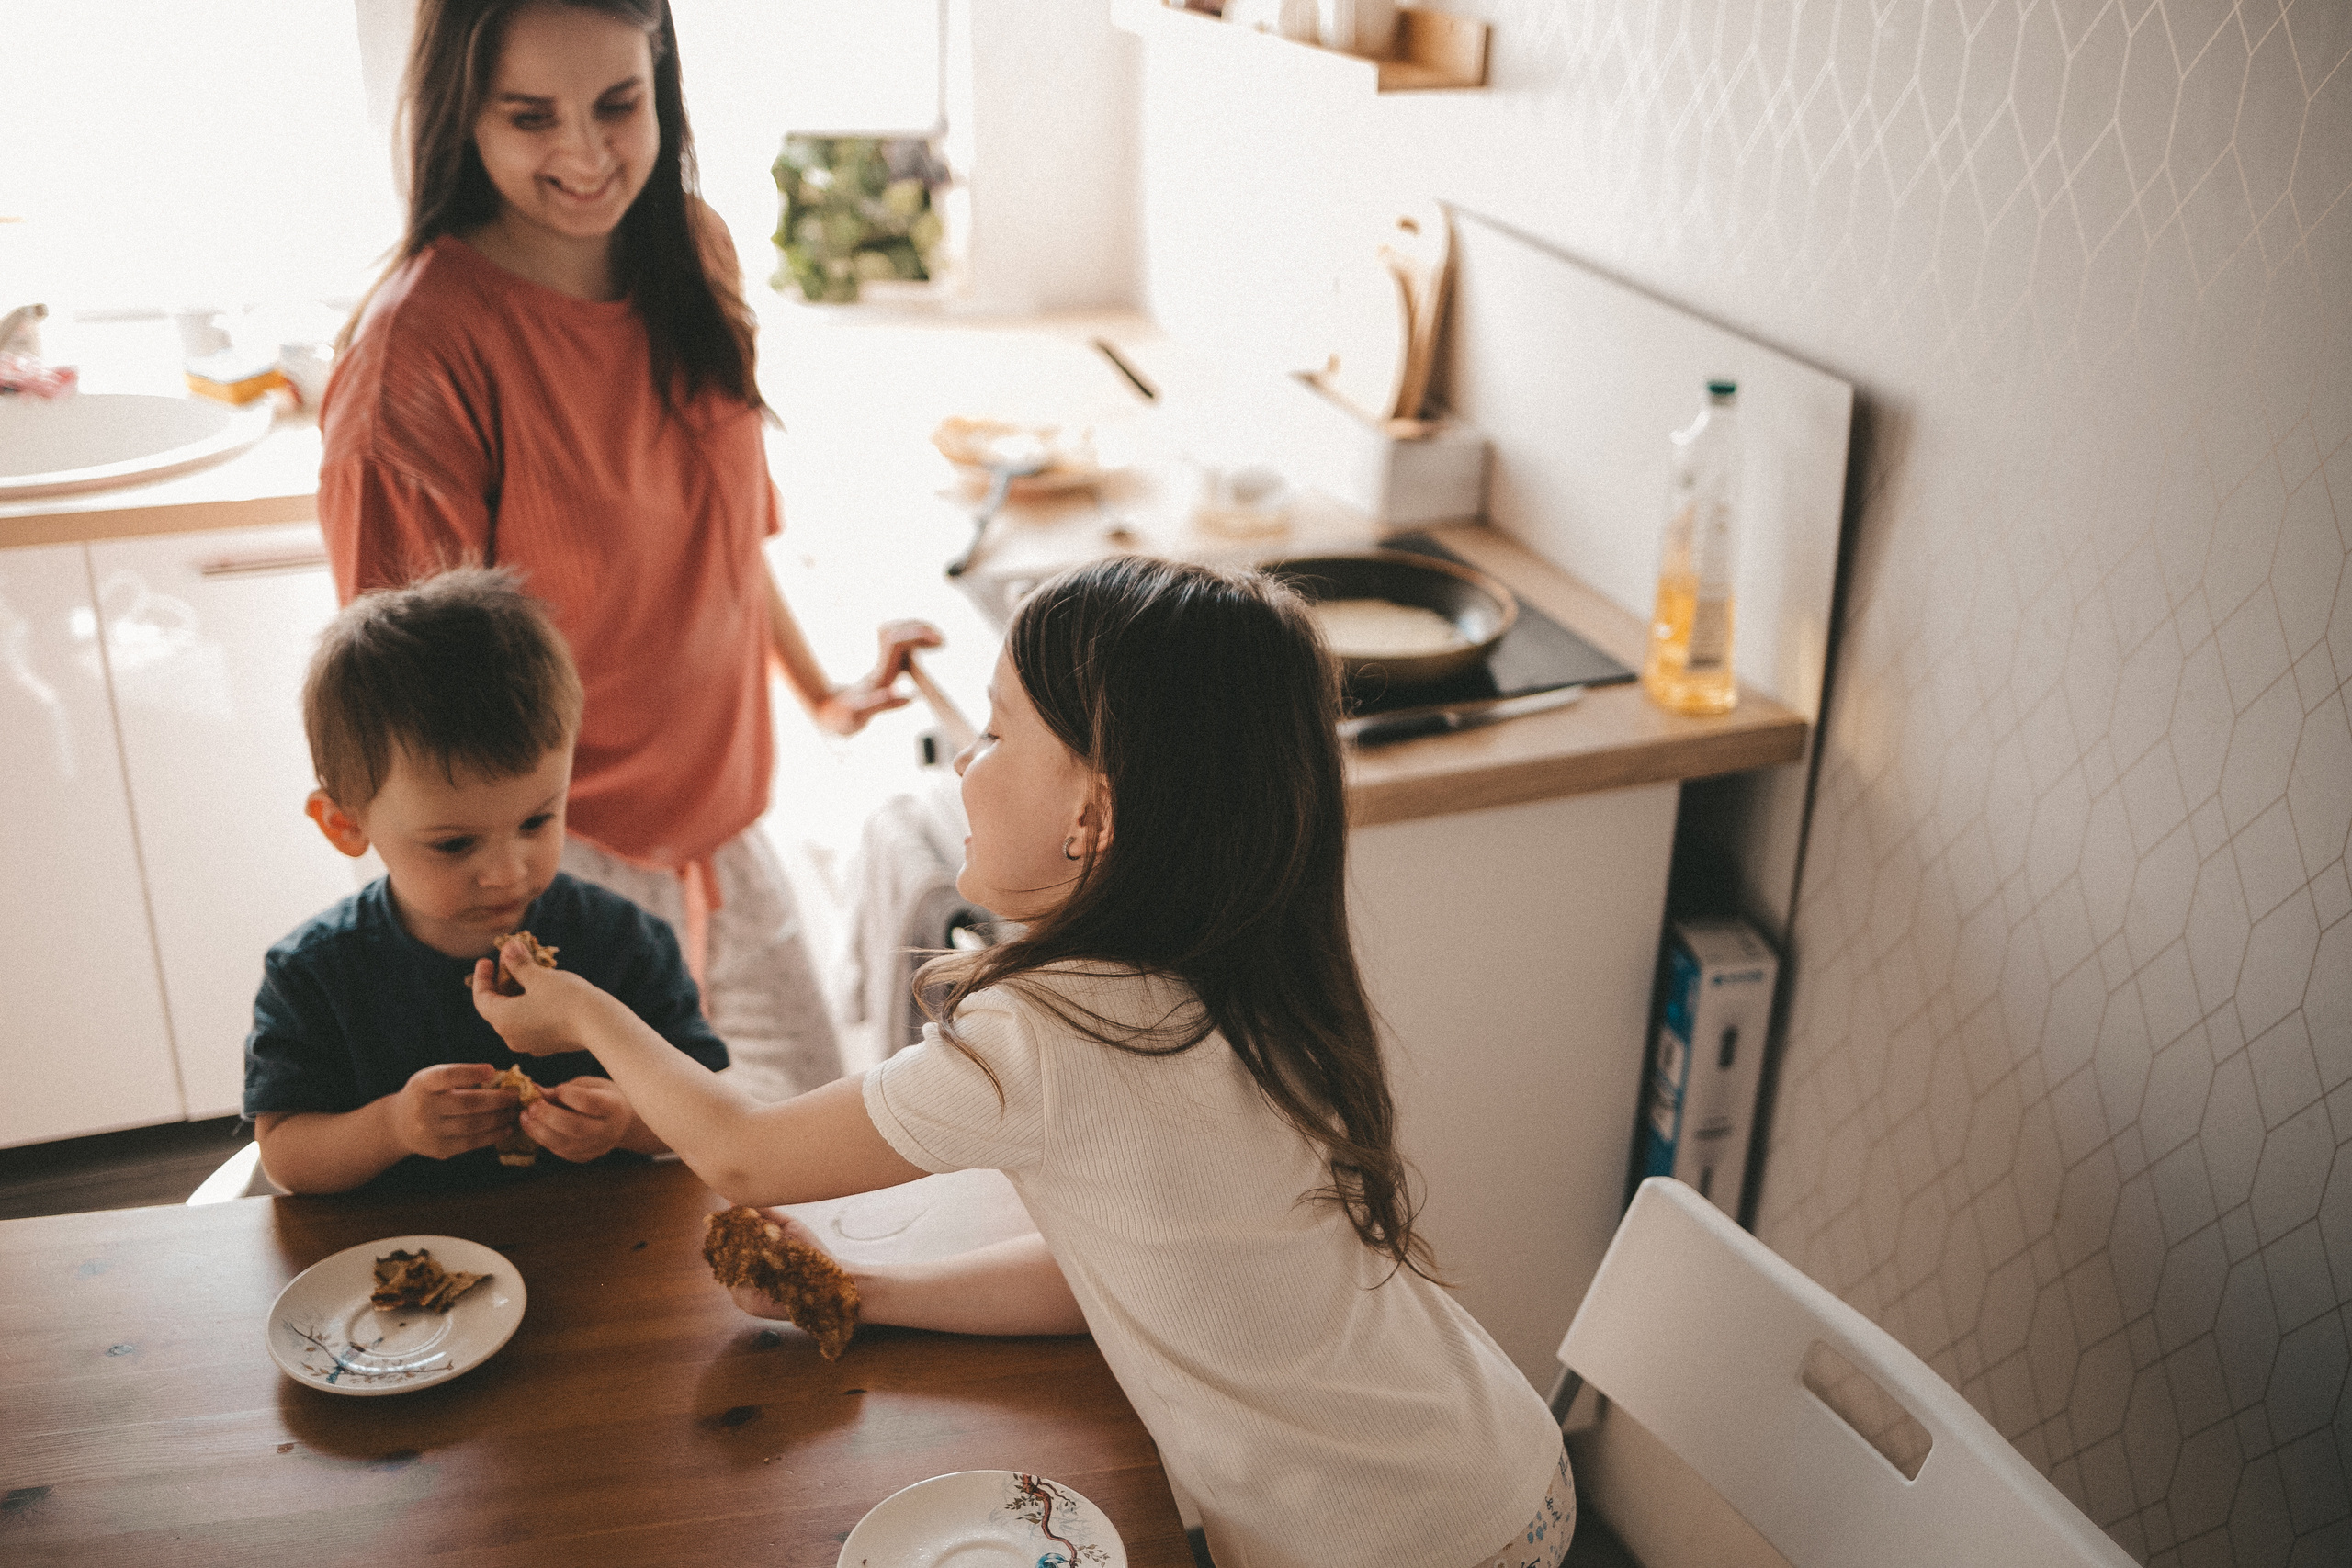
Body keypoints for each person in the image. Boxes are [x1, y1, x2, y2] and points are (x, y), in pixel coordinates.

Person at [472, 558, 1576, 1568]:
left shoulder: (1050, 1032)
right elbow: (1115, 1274)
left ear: (1090, 815)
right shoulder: (1254, 970)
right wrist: (863, 1293)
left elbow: (747, 1156)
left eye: (995, 735)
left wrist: (584, 1015)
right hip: (1498, 1470)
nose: (963, 760)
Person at [318, 0, 938, 1103]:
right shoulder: (420, 356)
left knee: (815, 1165)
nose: (587, 155)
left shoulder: (692, 250)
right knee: (638, 1226)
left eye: (618, 104)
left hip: (727, 835)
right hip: (558, 870)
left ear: (662, 81)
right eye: (530, 117)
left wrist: (824, 696)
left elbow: (722, 530)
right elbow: (406, 713)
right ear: (465, 115)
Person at [246, 568, 729, 1196]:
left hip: (601, 1255)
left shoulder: (627, 943)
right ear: (345, 824)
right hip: (405, 1262)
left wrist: (627, 1123)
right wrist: (393, 1126)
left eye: (537, 819)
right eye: (454, 843)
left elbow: (708, 1109)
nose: (508, 871)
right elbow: (286, 1155)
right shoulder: (313, 973)